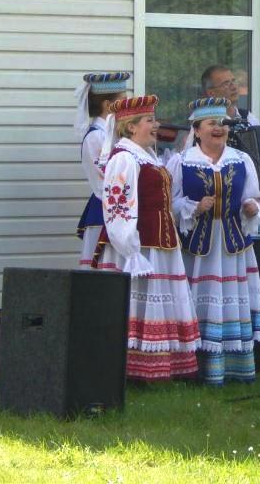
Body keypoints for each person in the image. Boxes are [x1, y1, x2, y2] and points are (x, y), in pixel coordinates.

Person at [94, 95, 199, 381]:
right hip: (137, 247)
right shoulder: (125, 158)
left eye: (155, 119)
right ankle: (132, 369)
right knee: (136, 303)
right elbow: (117, 206)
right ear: (130, 127)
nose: (156, 125)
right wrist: (130, 249)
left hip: (160, 243)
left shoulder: (147, 157)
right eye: (150, 120)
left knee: (155, 303)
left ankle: (158, 367)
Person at [167, 97, 260, 384]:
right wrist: (194, 208)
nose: (218, 128)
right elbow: (170, 205)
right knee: (200, 301)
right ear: (196, 130)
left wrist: (251, 207)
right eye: (211, 123)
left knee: (230, 302)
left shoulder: (241, 158)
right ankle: (196, 368)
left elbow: (254, 195)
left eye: (222, 123)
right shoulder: (181, 162)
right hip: (199, 249)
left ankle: (233, 367)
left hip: (232, 245)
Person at [201, 62, 260, 366]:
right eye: (225, 84)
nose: (233, 88)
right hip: (224, 219)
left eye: (234, 82)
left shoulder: (249, 119)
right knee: (233, 282)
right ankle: (230, 348)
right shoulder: (205, 126)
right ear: (210, 92)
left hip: (256, 210)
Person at [73, 71, 129, 268]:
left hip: (121, 210)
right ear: (108, 105)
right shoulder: (96, 137)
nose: (127, 105)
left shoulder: (115, 134)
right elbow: (108, 179)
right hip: (105, 210)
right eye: (123, 100)